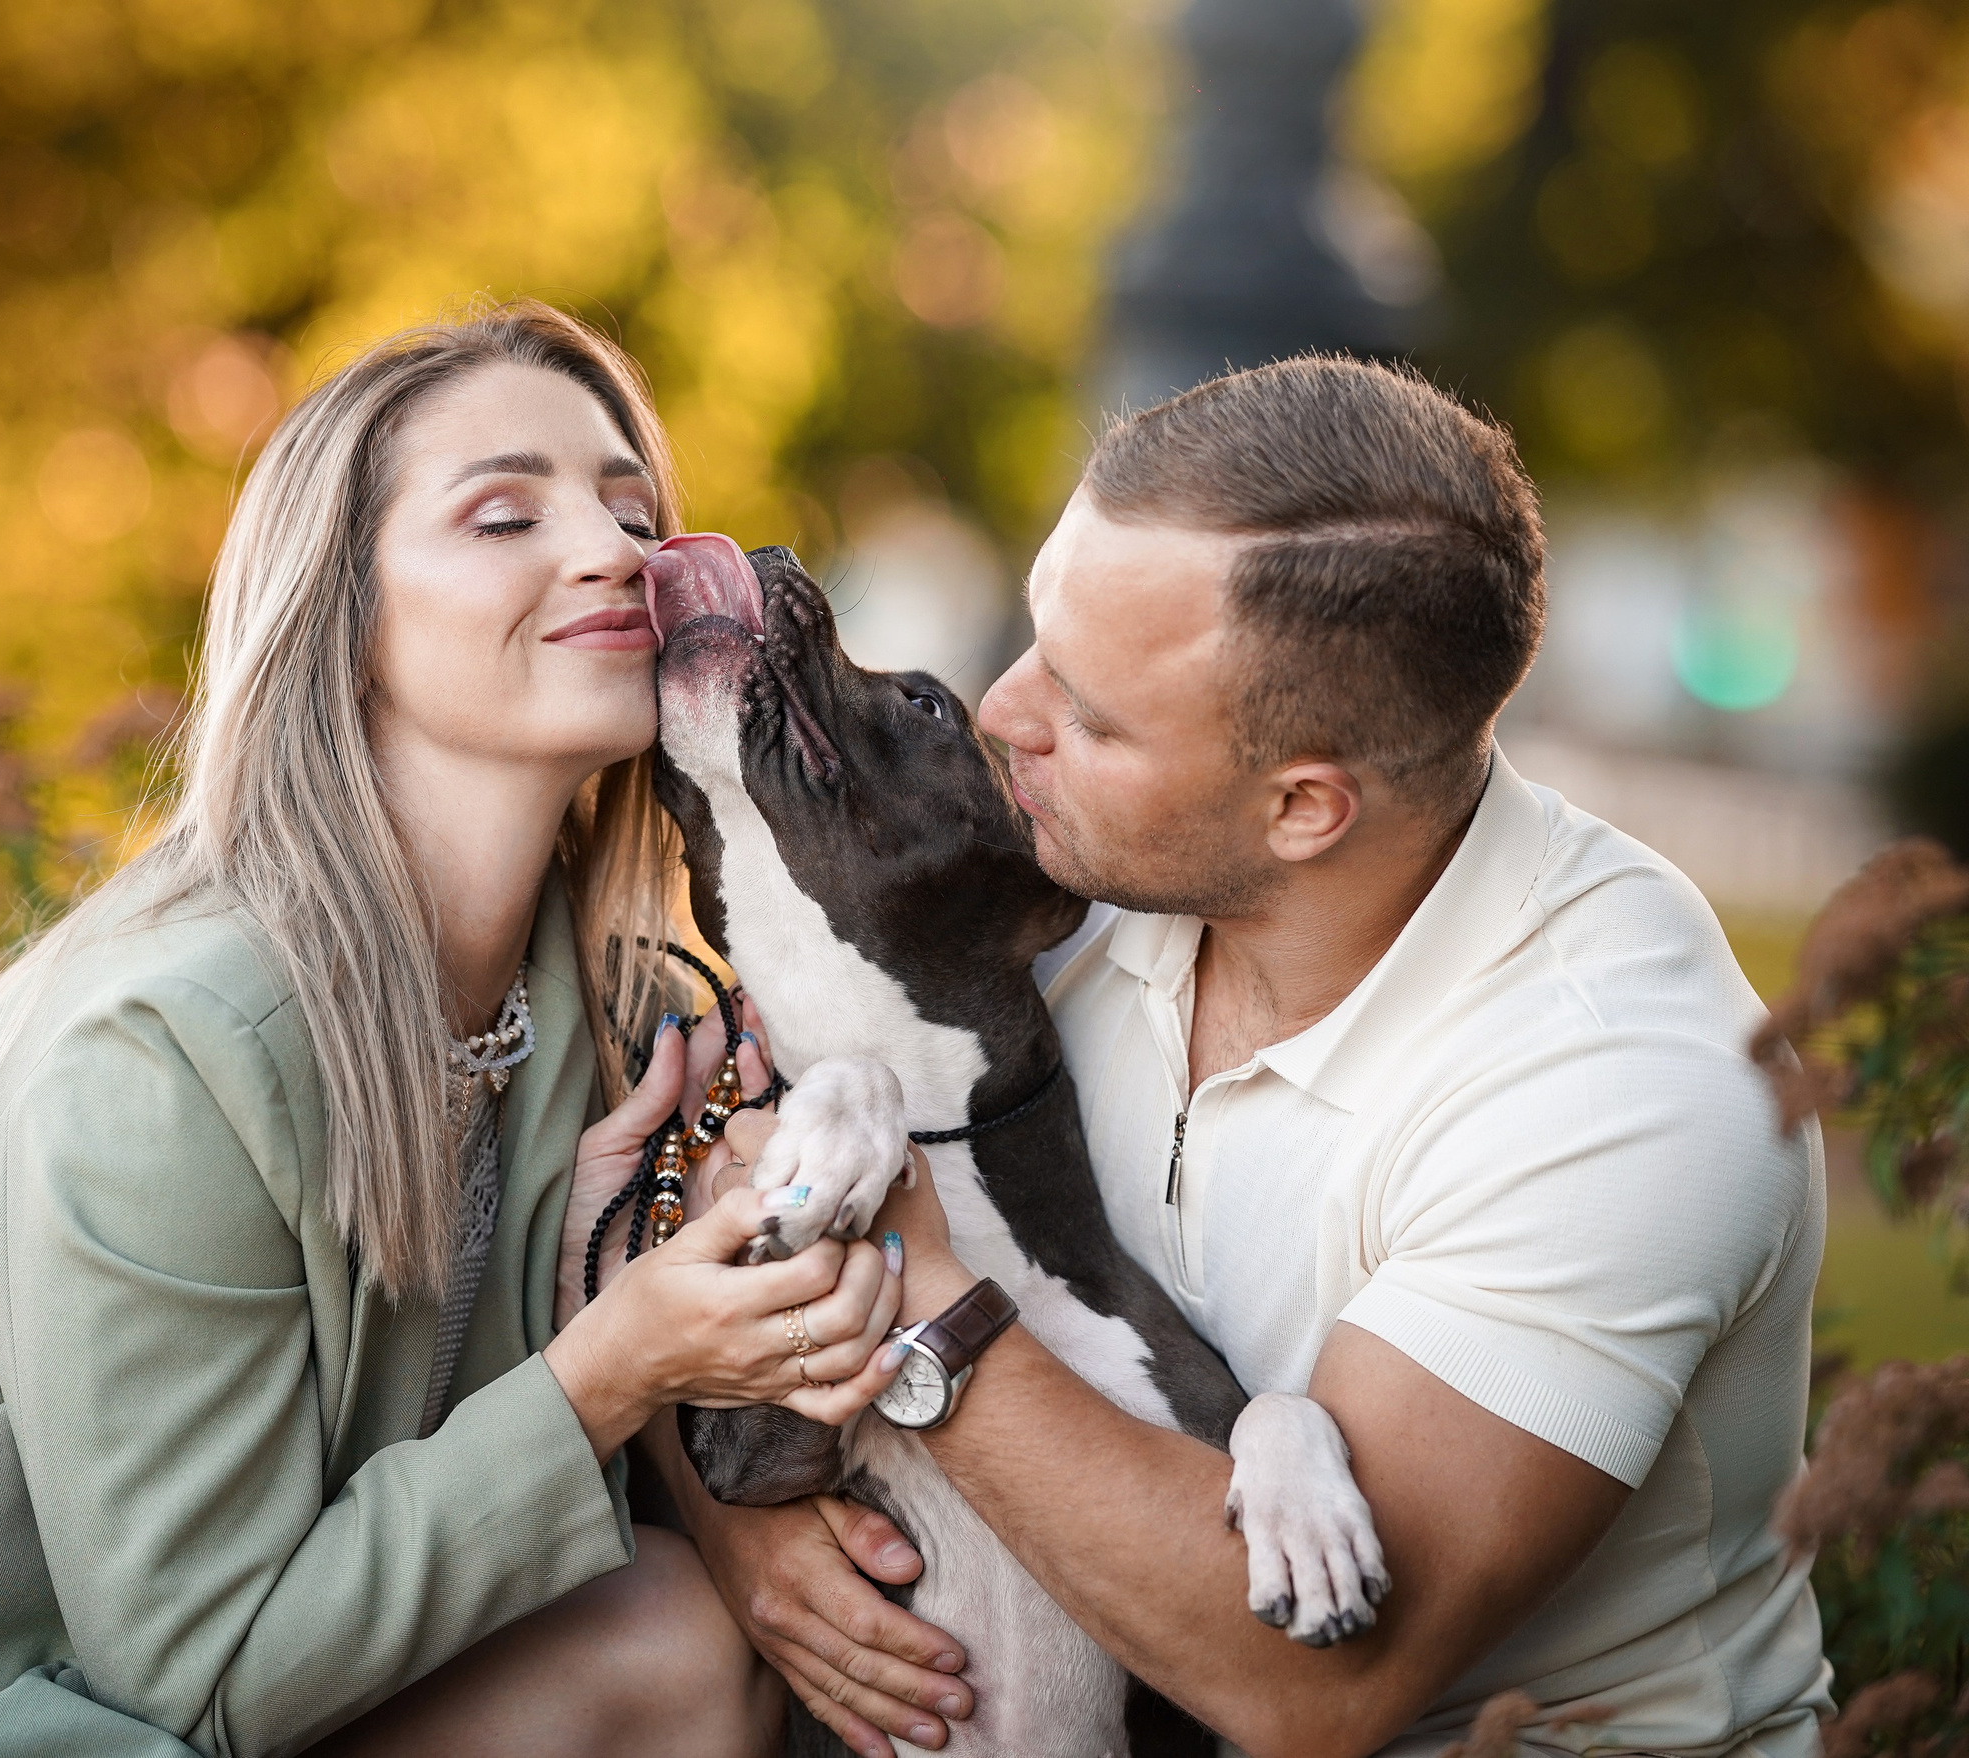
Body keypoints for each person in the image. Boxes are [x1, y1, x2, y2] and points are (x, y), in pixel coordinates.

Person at [0, 303, 905, 1758]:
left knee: (661, 1638)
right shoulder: (165, 1047)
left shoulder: (596, 1006)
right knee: (653, 1655)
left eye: (630, 505)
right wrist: (607, 1370)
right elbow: (208, 1676)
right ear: (343, 619)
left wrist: (614, 1318)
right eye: (504, 515)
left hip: (96, 1697)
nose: (610, 551)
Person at [680, 357, 1832, 1758]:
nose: (1001, 712)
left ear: (1303, 807)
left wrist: (909, 1291)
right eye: (1040, 635)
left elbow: (1306, 1686)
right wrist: (753, 1554)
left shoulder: (1622, 1086)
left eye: (1093, 715)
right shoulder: (1095, 875)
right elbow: (699, 1227)